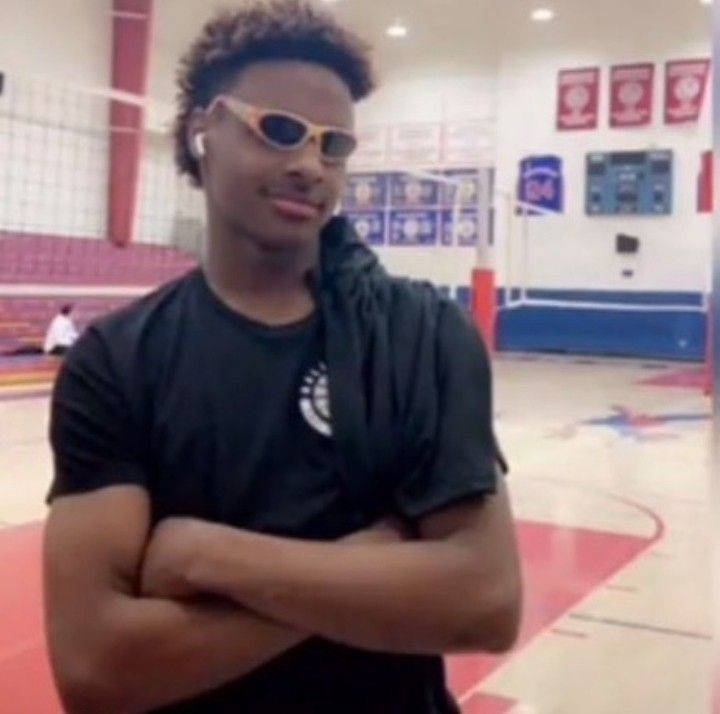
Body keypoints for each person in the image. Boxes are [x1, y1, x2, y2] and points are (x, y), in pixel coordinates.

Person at [43, 2, 522, 712]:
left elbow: (485, 603)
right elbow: (96, 668)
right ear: (204, 130)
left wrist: (208, 557)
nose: (308, 166)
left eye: (333, 146)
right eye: (279, 131)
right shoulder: (117, 362)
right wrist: (365, 570)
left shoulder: (423, 334)